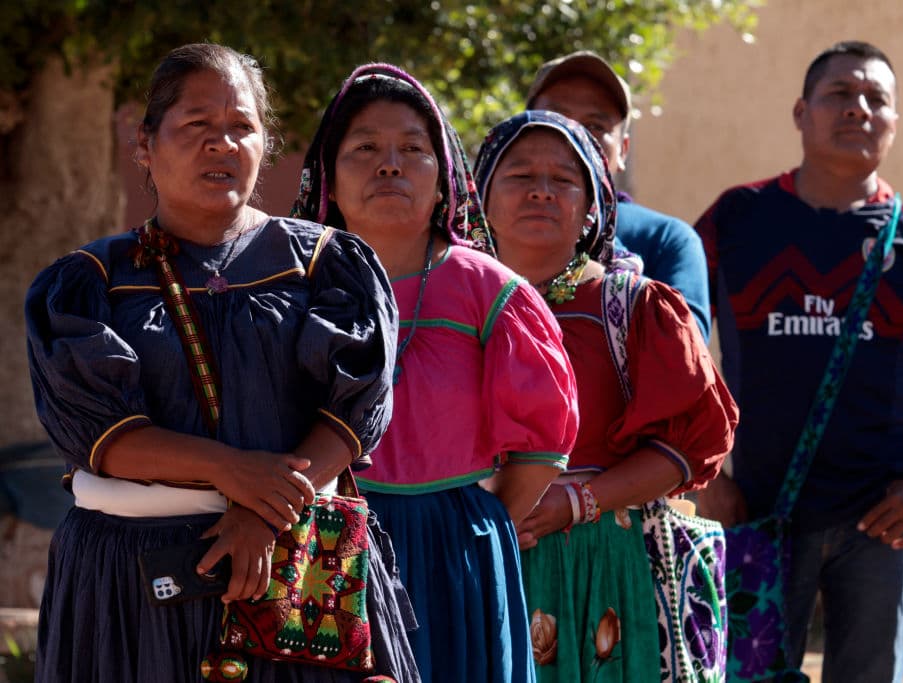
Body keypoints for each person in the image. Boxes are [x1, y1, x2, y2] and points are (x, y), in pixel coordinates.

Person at [25, 43, 421, 682]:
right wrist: (236, 473)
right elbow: (99, 434)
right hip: (129, 579)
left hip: (296, 569)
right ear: (145, 146)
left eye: (242, 126)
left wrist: (263, 513)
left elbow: (356, 409)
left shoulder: (328, 267)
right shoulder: (88, 283)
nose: (222, 144)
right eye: (197, 126)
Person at [694, 41, 903, 682]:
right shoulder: (737, 219)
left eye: (876, 100)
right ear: (801, 112)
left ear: (894, 122)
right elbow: (677, 345)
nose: (857, 109)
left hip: (881, 520)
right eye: (839, 94)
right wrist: (706, 474)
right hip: (757, 509)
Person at [292, 64, 578, 683]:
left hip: (456, 548)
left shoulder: (491, 293)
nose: (389, 164)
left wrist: (474, 524)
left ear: (444, 179)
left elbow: (541, 444)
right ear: (331, 183)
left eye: (413, 149)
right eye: (364, 147)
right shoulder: (291, 292)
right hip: (322, 545)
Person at [474, 109, 738, 682]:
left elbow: (689, 444)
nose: (541, 192)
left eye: (564, 179)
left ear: (591, 206)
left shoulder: (633, 308)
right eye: (519, 175)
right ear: (482, 199)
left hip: (606, 570)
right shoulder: (448, 305)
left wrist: (574, 503)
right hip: (478, 565)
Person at [525, 50, 712, 342]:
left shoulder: (666, 240)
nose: (573, 136)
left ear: (623, 150)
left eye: (595, 126)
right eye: (555, 118)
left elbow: (686, 355)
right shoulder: (482, 229)